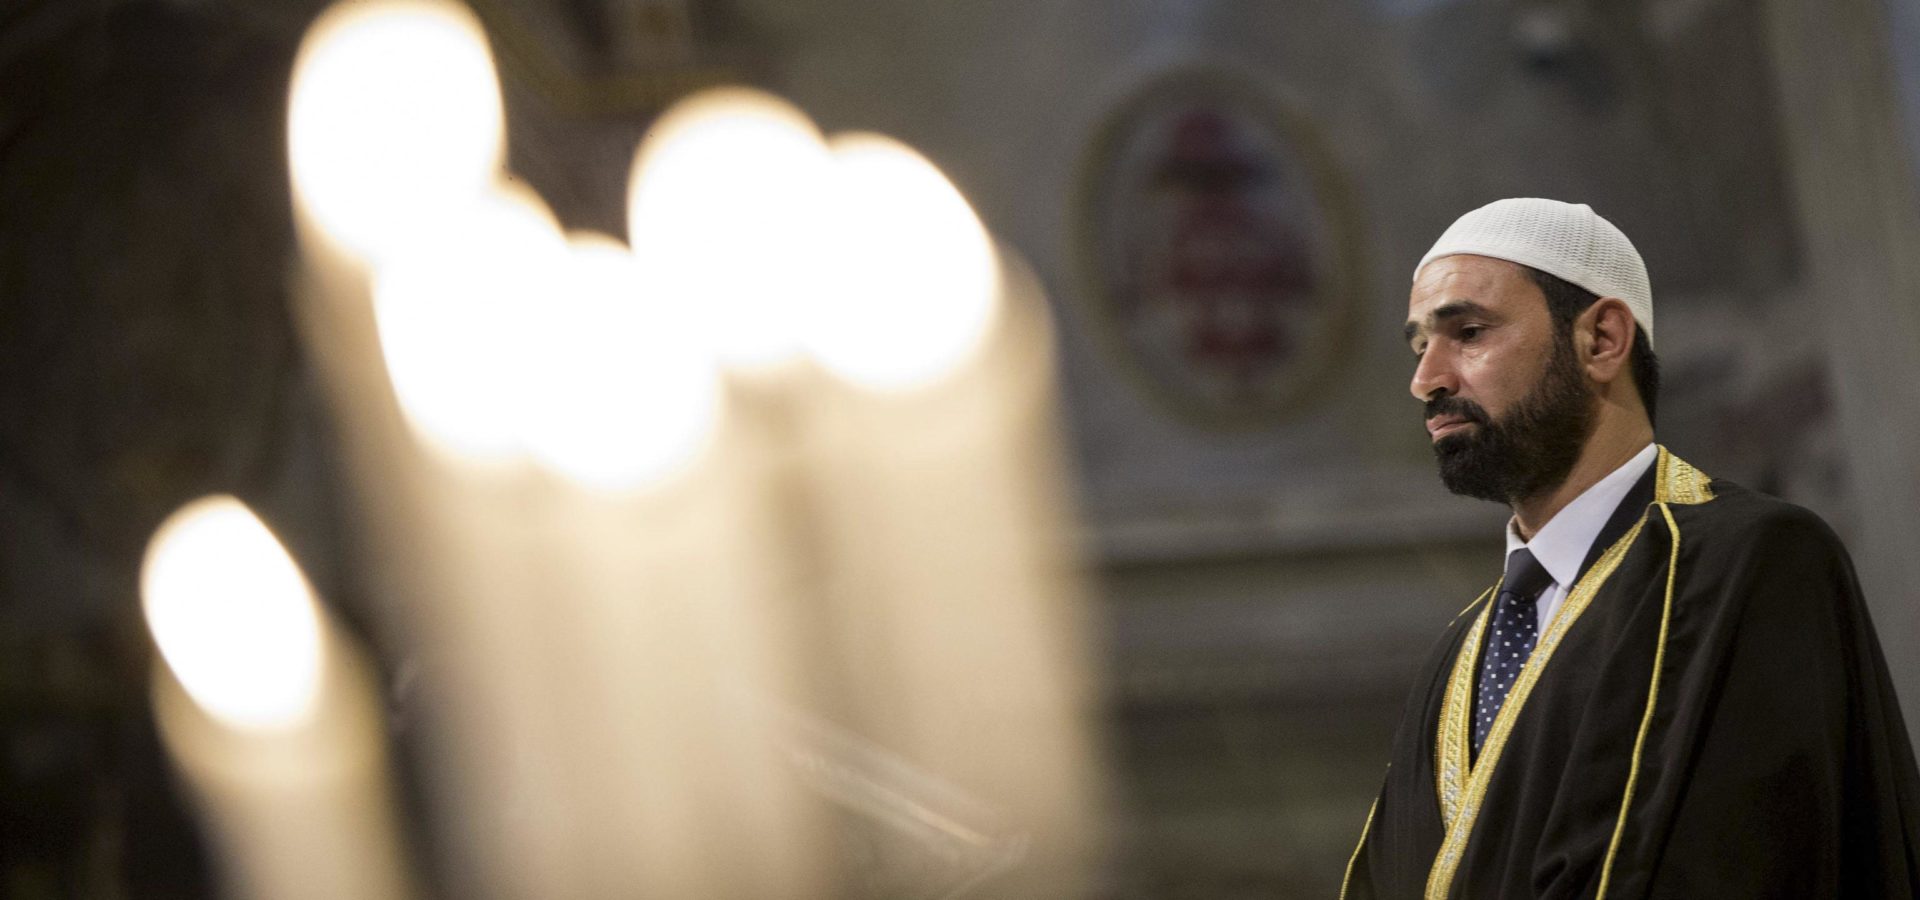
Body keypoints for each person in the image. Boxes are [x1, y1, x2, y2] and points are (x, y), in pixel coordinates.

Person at [1341, 198, 1920, 899]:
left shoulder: (1754, 563)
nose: (1426, 379)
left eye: (1467, 332)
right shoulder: (1462, 650)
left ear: (1602, 339)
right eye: (1418, 347)